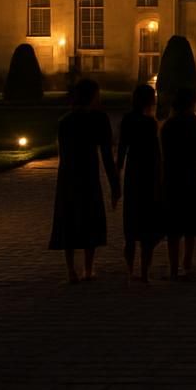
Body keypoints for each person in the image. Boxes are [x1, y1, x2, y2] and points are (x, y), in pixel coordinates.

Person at [48, 78, 119, 283]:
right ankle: (88, 268)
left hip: (68, 175)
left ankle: (71, 270)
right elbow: (106, 155)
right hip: (88, 174)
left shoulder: (65, 121)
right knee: (90, 217)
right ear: (92, 96)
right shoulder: (99, 119)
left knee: (68, 219)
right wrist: (115, 185)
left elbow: (63, 153)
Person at [116, 82, 164, 284]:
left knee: (131, 223)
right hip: (148, 175)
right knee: (147, 227)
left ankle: (130, 271)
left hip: (132, 174)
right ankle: (144, 273)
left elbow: (121, 149)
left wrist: (116, 177)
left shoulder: (127, 119)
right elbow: (155, 153)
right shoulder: (150, 123)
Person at [161, 88, 196, 279]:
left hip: (172, 176)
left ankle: (173, 267)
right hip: (189, 175)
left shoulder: (168, 125)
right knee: (190, 222)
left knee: (174, 225)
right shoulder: (193, 124)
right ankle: (187, 262)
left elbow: (163, 151)